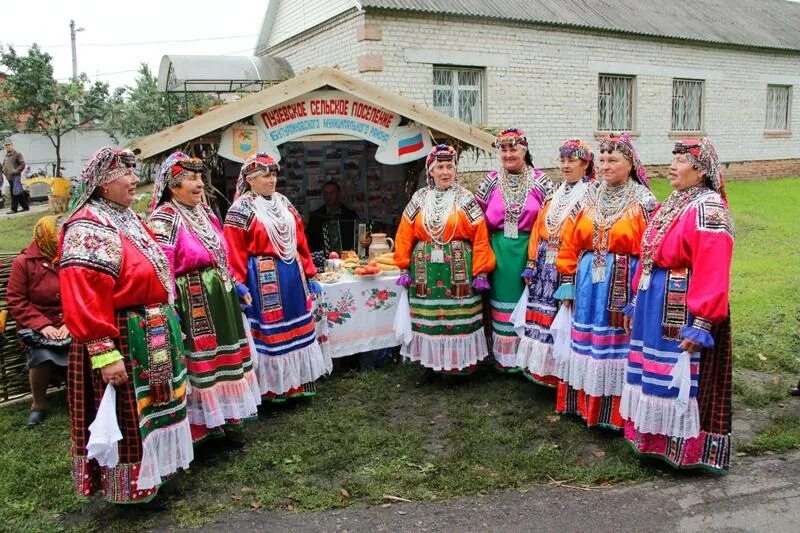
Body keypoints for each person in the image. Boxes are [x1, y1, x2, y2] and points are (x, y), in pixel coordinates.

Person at [59, 147, 192, 505]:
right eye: (126, 174)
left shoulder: (125, 216)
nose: (135, 180)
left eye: (135, 173)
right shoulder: (88, 226)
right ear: (103, 184)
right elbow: (82, 292)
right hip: (119, 332)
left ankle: (156, 473)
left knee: (154, 406)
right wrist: (104, 352)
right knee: (128, 415)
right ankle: (130, 487)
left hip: (148, 327)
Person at [620, 138, 735, 472]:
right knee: (652, 371)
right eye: (674, 159)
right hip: (654, 301)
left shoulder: (708, 208)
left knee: (681, 374)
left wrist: (703, 321)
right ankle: (652, 439)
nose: (673, 166)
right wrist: (634, 301)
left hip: (683, 306)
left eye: (682, 161)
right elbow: (648, 253)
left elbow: (714, 264)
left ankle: (684, 449)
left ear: (700, 171)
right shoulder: (674, 202)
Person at [149, 152, 261, 444]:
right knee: (202, 360)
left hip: (219, 296)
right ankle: (202, 426)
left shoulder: (205, 212)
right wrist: (171, 308)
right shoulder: (164, 219)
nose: (200, 185)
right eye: (191, 179)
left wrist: (234, 284)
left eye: (200, 178)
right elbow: (162, 268)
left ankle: (227, 418)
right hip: (194, 298)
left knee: (226, 357)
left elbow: (220, 253)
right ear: (173, 185)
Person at [554, 132, 655, 430]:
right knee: (586, 341)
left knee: (616, 343)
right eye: (603, 159)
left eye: (614, 159)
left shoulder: (645, 202)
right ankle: (584, 405)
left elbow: (650, 251)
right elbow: (570, 240)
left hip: (622, 281)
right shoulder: (588, 196)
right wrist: (568, 281)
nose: (606, 165)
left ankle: (615, 414)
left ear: (631, 164)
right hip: (588, 281)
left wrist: (638, 296)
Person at [224, 153, 331, 402]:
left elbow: (300, 240)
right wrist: (238, 282)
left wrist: (309, 271)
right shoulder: (240, 210)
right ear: (250, 179)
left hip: (291, 274)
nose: (271, 180)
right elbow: (233, 248)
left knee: (298, 325)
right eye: (265, 175)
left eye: (273, 174)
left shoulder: (283, 202)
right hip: (262, 278)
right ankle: (274, 390)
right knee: (271, 331)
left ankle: (299, 383)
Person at [394, 144, 495, 385]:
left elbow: (480, 235)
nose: (445, 171)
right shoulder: (419, 198)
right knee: (428, 320)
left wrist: (480, 270)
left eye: (450, 166)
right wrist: (403, 266)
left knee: (457, 317)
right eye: (440, 166)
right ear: (431, 170)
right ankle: (428, 366)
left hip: (458, 268)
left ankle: (457, 366)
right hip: (424, 271)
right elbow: (404, 233)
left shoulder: (466, 199)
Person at [517, 139, 595, 387]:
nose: (565, 165)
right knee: (541, 315)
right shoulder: (553, 194)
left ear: (585, 164)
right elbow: (538, 229)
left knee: (561, 316)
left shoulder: (592, 195)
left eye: (571, 160)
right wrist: (531, 261)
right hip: (543, 264)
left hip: (567, 266)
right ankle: (540, 370)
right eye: (562, 160)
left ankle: (558, 374)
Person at [476, 128, 554, 371]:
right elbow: (477, 217)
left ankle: (527, 358)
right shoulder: (490, 181)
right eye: (504, 149)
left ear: (525, 150)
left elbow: (551, 217)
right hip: (499, 252)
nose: (508, 154)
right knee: (500, 301)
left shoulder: (541, 182)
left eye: (514, 149)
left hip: (529, 252)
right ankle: (503, 359)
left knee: (529, 302)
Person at [6, 216, 70, 427]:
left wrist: (69, 323)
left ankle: (80, 397)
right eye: (59, 235)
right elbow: (16, 301)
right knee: (41, 355)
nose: (64, 239)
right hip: (37, 328)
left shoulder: (70, 258)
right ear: (48, 235)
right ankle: (38, 404)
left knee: (86, 346)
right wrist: (43, 325)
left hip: (69, 323)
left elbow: (83, 294)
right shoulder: (23, 263)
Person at [306, 180, 360, 253]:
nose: (328, 196)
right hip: (322, 258)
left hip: (347, 258)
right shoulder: (316, 216)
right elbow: (309, 240)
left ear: (338, 194)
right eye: (326, 193)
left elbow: (359, 238)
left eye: (331, 193)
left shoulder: (350, 215)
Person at [3, 139, 29, 214]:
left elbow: (22, 164)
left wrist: (16, 171)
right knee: (18, 192)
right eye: (6, 145)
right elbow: (5, 165)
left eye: (9, 145)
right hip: (9, 177)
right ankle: (25, 207)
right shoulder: (6, 156)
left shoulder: (17, 154)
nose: (8, 146)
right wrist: (4, 171)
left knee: (14, 192)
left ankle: (13, 209)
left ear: (12, 145)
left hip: (15, 176)